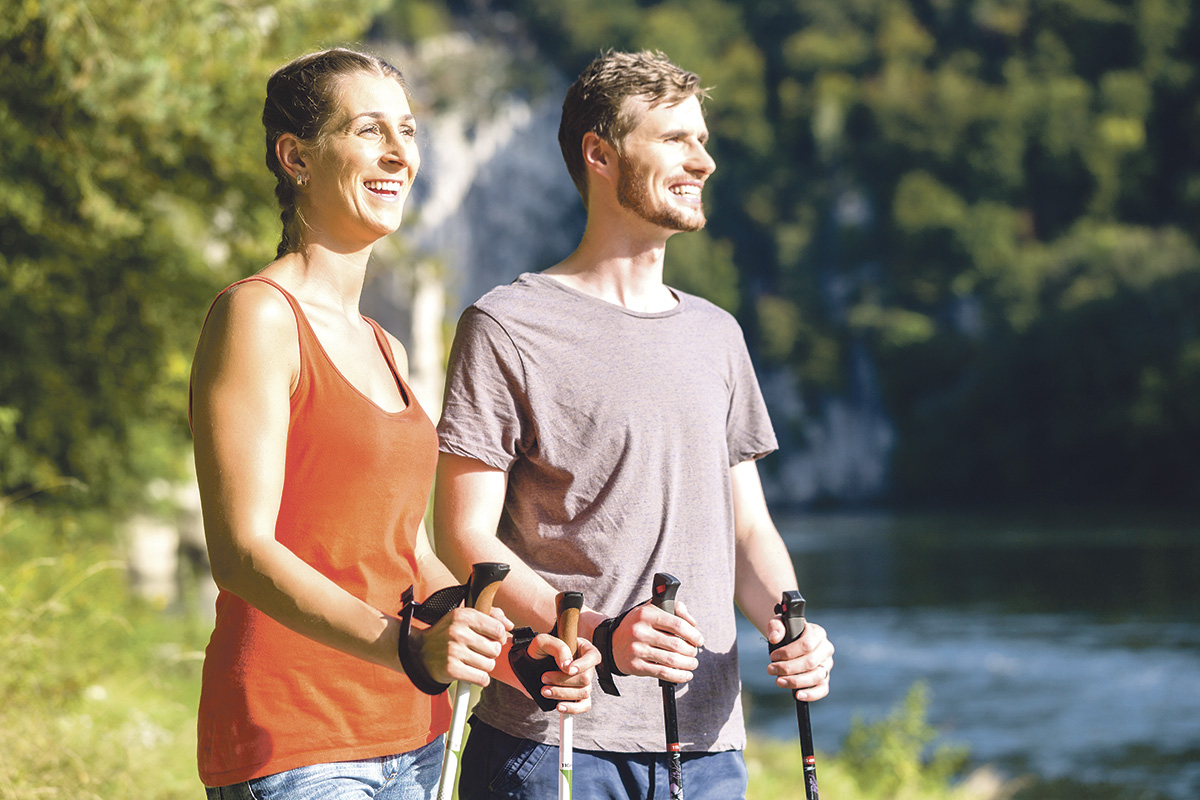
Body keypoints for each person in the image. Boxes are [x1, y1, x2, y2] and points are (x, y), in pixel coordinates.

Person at [189, 47, 598, 800]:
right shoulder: (257, 316)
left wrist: (511, 653)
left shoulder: (385, 343)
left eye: (407, 131)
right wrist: (409, 649)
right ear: (296, 157)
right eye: (368, 130)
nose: (397, 153)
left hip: (412, 736)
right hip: (297, 741)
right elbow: (242, 552)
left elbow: (402, 548)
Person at [433, 49, 836, 799]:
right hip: (553, 741)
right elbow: (461, 535)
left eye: (705, 140)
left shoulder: (717, 334)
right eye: (677, 139)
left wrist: (791, 626)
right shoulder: (507, 324)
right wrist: (599, 635)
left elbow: (746, 529)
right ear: (600, 154)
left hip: (711, 748)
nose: (704, 161)